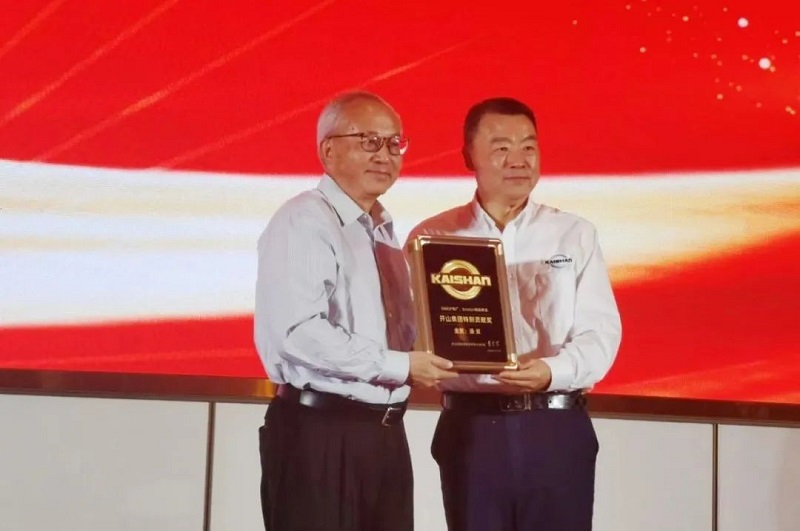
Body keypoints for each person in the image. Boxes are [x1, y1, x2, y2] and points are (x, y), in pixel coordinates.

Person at [406, 97, 622, 531]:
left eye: (529, 146)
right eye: (501, 148)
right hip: (471, 429)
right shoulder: (432, 237)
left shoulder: (573, 233)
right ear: (468, 156)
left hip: (556, 426)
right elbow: (408, 332)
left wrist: (550, 371)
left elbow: (600, 334)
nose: (518, 160)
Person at [254, 91, 458, 531]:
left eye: (394, 143)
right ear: (328, 150)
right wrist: (401, 366)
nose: (384, 155)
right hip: (320, 434)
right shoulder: (304, 220)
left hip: (383, 434)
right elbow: (298, 332)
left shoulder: (381, 229)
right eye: (369, 141)